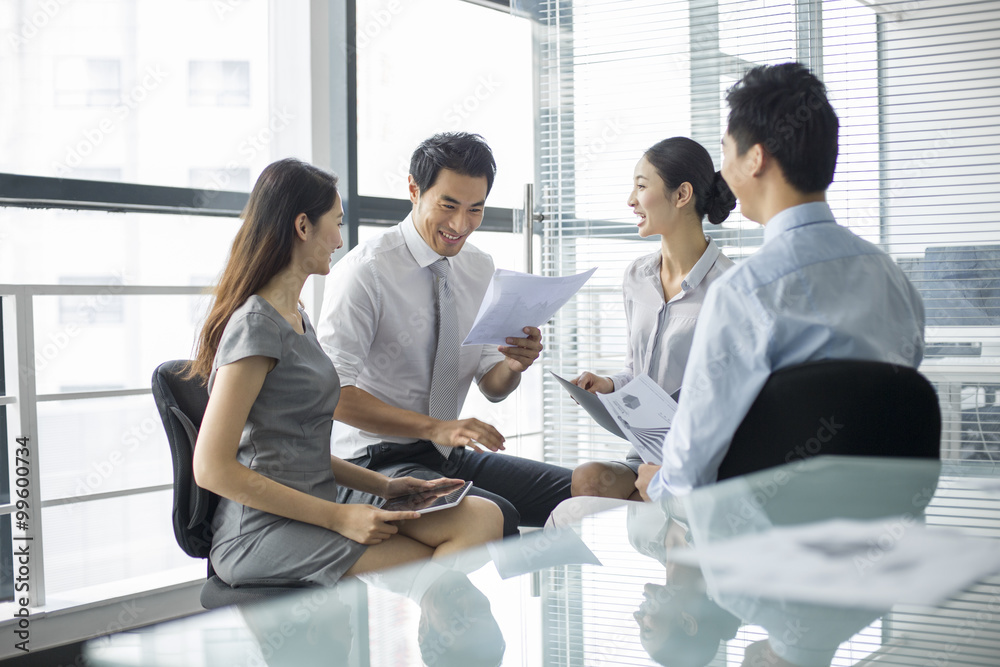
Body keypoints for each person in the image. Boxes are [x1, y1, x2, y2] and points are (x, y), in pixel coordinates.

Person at [189, 158, 503, 587]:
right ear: (303, 227)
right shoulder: (256, 325)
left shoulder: (294, 315)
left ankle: (432, 616)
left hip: (314, 502)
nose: (339, 239)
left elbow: (301, 454)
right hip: (261, 529)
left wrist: (385, 487)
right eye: (335, 223)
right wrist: (338, 516)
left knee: (481, 519)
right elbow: (211, 468)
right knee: (432, 559)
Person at [637, 62, 926, 502]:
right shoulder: (894, 282)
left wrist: (656, 485)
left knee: (578, 512)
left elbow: (689, 470)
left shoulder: (744, 292)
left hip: (761, 539)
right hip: (882, 530)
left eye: (727, 150)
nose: (724, 171)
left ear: (755, 159)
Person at [318, 132, 573, 537]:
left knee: (583, 493)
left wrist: (512, 365)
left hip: (447, 452)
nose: (461, 224)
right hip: (373, 461)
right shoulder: (365, 271)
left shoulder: (479, 268)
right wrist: (435, 427)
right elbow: (333, 395)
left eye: (476, 209)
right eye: (448, 206)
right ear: (414, 190)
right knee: (498, 515)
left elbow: (493, 386)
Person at [571, 137, 737, 500]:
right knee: (587, 477)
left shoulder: (729, 288)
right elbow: (637, 373)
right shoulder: (636, 277)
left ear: (681, 195)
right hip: (643, 452)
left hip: (700, 461)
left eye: (641, 186)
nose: (631, 200)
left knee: (650, 500)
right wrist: (607, 385)